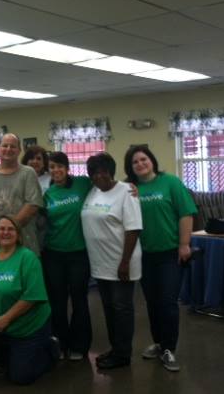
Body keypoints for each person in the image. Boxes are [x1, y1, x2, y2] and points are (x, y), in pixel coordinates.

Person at [124, 145, 197, 372]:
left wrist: (184, 244)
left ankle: (169, 348)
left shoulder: (170, 182)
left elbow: (186, 213)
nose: (140, 164)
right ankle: (158, 343)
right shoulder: (129, 189)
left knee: (167, 302)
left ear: (152, 160)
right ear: (130, 167)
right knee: (152, 302)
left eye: (143, 159)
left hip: (170, 253)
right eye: (135, 162)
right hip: (144, 255)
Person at [0, 215, 58, 385]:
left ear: (18, 234)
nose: (5, 232)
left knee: (21, 377)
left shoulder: (28, 258)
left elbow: (31, 296)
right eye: (1, 229)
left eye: (10, 229)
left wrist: (6, 319)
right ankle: (12, 359)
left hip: (27, 326)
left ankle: (50, 350)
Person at [82, 153, 142, 369]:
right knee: (108, 308)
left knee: (122, 309)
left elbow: (133, 229)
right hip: (100, 264)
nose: (99, 176)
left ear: (111, 172)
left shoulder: (127, 192)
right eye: (94, 173)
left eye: (103, 172)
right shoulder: (92, 191)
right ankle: (115, 349)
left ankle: (123, 355)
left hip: (121, 262)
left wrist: (124, 262)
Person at [42, 152, 92, 361]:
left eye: (60, 166)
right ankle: (61, 343)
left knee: (79, 299)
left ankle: (80, 345)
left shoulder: (82, 184)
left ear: (67, 167)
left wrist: (130, 187)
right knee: (58, 301)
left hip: (79, 253)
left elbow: (108, 185)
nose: (56, 170)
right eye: (52, 167)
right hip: (54, 254)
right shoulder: (48, 194)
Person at [0, 133, 43, 255]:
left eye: (13, 146)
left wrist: (9, 230)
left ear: (19, 150)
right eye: (5, 145)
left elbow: (32, 205)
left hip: (24, 242)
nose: (8, 149)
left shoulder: (28, 173)